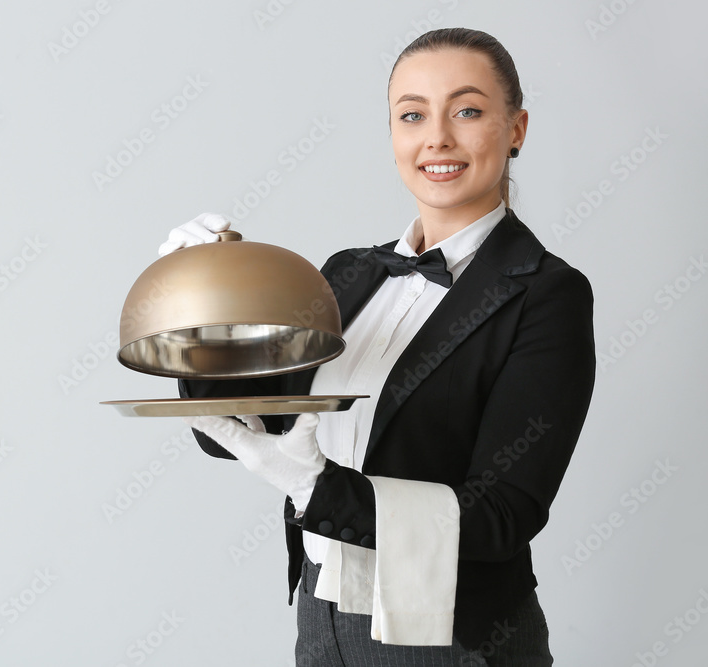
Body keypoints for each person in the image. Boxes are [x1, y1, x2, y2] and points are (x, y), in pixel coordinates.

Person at [161, 28, 595, 666]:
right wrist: (202, 306)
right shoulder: (346, 274)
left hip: (453, 634)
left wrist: (317, 488)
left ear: (517, 129)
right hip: (321, 611)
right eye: (412, 114)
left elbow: (502, 515)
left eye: (467, 110)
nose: (437, 137)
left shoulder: (549, 294)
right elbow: (251, 422)